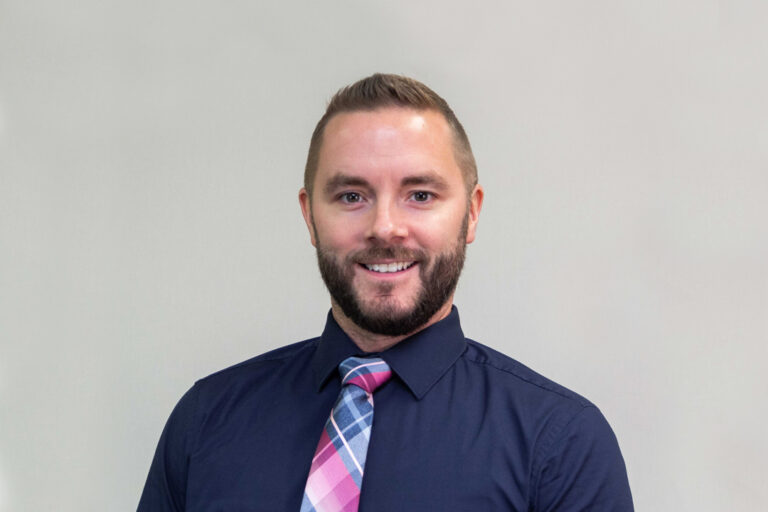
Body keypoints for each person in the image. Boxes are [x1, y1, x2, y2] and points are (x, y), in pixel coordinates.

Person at [138, 73, 634, 511]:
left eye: (420, 195)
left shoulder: (560, 443)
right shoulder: (206, 421)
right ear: (310, 215)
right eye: (352, 196)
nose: (385, 227)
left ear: (472, 214)